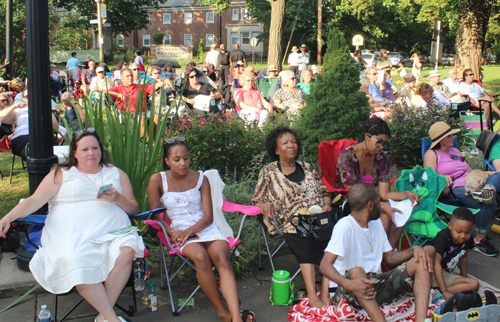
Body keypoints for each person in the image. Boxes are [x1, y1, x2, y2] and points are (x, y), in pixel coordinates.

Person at [0, 130, 144, 322]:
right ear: (74, 153)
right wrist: (8, 217)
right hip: (72, 233)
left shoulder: (116, 173)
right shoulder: (62, 173)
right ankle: (111, 318)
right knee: (75, 259)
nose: (91, 153)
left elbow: (134, 209)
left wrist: (118, 197)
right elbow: (35, 200)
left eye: (95, 148)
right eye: (85, 149)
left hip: (113, 232)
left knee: (127, 250)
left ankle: (104, 317)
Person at [147, 139, 255, 322]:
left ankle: (235, 318)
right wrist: (170, 229)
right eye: (177, 159)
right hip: (178, 230)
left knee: (221, 257)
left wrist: (189, 231)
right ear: (167, 160)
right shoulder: (157, 179)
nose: (183, 163)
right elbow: (154, 214)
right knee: (200, 257)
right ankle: (223, 312)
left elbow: (208, 217)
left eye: (186, 158)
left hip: (204, 227)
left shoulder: (200, 178)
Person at [320, 183, 434, 322]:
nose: (381, 205)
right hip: (348, 289)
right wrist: (348, 284)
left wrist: (414, 250)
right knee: (356, 271)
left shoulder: (376, 224)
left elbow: (390, 259)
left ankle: (421, 320)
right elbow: (324, 265)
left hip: (375, 284)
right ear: (370, 205)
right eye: (378, 202)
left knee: (420, 260)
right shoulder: (345, 226)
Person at [252, 126, 332, 308]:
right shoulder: (269, 172)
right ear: (276, 149)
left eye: (293, 142)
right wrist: (263, 205)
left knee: (334, 239)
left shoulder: (308, 167)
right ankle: (313, 295)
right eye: (285, 143)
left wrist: (326, 203)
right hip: (289, 221)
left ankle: (326, 293)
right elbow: (257, 200)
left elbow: (323, 191)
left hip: (318, 219)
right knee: (302, 236)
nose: (291, 146)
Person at [336, 117, 420, 248]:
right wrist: (382, 206)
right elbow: (354, 195)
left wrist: (406, 194)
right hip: (351, 203)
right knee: (386, 216)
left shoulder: (381, 159)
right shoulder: (347, 156)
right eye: (379, 142)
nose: (381, 147)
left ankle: (386, 256)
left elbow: (384, 193)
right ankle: (381, 256)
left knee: (400, 213)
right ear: (367, 136)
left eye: (384, 144)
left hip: (373, 203)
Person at [423, 121, 500, 257]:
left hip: (472, 181)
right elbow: (428, 177)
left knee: (498, 175)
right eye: (450, 136)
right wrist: (442, 177)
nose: (454, 138)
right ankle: (479, 240)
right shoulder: (432, 154)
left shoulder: (456, 151)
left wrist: (491, 175)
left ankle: (489, 189)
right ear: (441, 139)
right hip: (455, 188)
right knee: (489, 202)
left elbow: (470, 171)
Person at [0, 89, 61, 161]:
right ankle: (32, 157)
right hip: (22, 136)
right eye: (28, 96)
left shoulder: (44, 109)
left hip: (42, 134)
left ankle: (33, 160)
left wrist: (47, 114)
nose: (32, 98)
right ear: (23, 99)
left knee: (41, 144)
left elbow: (56, 128)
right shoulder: (18, 111)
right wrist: (14, 106)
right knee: (26, 147)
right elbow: (1, 117)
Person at [432, 208, 479, 299]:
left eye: (468, 232)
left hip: (446, 274)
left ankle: (437, 291)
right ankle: (441, 290)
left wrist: (463, 279)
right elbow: (436, 263)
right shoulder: (443, 238)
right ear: (450, 226)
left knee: (474, 284)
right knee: (473, 285)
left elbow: (464, 257)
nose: (463, 236)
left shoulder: (467, 240)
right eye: (459, 232)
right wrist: (445, 291)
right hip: (433, 274)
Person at [107, 68, 172, 113]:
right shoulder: (118, 88)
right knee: (141, 120)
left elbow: (154, 86)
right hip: (128, 114)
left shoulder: (140, 86)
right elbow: (104, 92)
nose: (130, 78)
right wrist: (120, 95)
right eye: (127, 76)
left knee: (157, 117)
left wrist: (165, 81)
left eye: (131, 76)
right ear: (122, 79)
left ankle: (155, 133)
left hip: (144, 112)